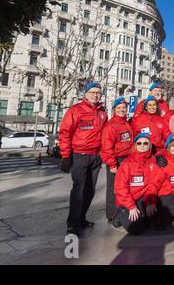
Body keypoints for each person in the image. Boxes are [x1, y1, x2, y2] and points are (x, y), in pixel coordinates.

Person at [59, 82, 108, 236]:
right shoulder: (76, 110)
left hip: (96, 156)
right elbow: (65, 132)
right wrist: (66, 156)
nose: (95, 95)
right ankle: (72, 224)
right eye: (92, 92)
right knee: (79, 190)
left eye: (98, 93)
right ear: (86, 94)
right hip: (79, 155)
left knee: (90, 190)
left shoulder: (102, 112)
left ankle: (81, 218)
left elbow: (106, 134)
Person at [113, 133, 164, 235]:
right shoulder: (127, 163)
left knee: (158, 217)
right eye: (139, 143)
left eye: (145, 143)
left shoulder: (153, 161)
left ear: (149, 146)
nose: (142, 146)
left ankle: (142, 215)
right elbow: (120, 188)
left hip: (142, 197)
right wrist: (131, 206)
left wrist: (150, 201)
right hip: (127, 200)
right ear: (135, 145)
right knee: (137, 229)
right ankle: (120, 213)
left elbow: (153, 183)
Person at [100, 98, 133, 223]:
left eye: (123, 107)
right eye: (119, 108)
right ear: (114, 110)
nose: (122, 110)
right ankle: (112, 214)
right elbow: (107, 147)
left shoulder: (126, 123)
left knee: (123, 187)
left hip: (126, 159)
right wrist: (112, 164)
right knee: (113, 187)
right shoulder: (111, 126)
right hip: (116, 160)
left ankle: (122, 210)